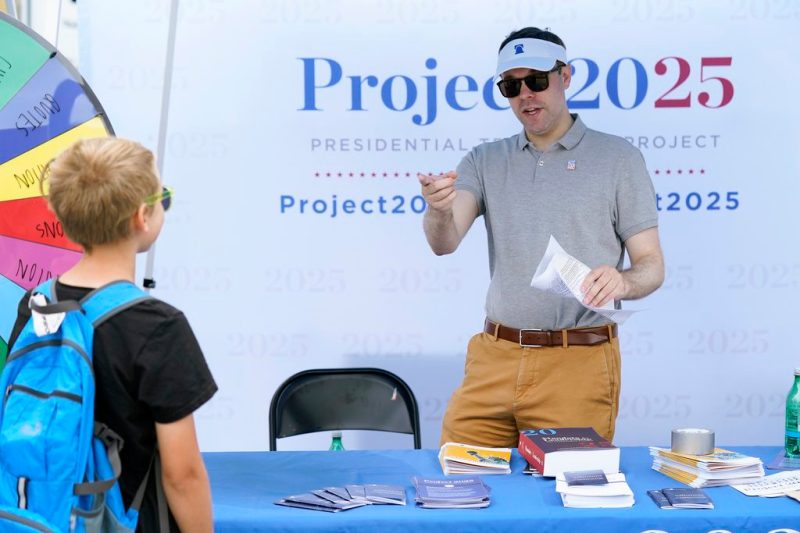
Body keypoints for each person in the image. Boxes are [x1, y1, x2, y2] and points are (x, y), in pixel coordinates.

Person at [418, 27, 664, 448]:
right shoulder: (485, 159)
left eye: (536, 80)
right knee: (458, 485)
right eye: (511, 86)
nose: (525, 95)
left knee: (571, 497)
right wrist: (438, 210)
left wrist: (623, 281)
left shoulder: (618, 158)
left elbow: (652, 267)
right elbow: (444, 241)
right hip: (494, 357)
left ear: (564, 77)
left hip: (578, 361)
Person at [7, 138, 216, 532]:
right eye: (163, 197)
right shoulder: (158, 327)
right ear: (143, 216)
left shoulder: (34, 305)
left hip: (40, 518)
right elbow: (182, 475)